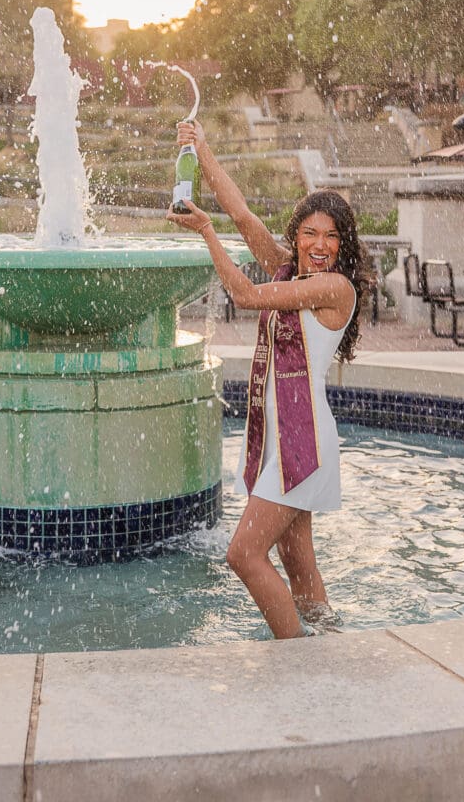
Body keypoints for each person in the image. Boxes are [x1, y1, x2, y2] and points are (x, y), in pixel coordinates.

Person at [167, 119, 372, 639]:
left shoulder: (333, 287)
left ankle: (296, 655)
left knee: (243, 554)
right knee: (298, 563)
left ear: (342, 244)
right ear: (297, 236)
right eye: (310, 233)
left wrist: (207, 234)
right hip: (277, 439)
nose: (320, 245)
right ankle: (329, 646)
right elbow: (241, 212)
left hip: (303, 443)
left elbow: (247, 296)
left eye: (331, 236)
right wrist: (202, 147)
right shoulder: (290, 270)